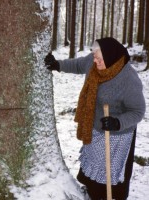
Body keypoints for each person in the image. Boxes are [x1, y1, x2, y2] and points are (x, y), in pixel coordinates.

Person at [44, 37, 145, 200]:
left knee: (110, 174)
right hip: (96, 127)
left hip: (118, 136)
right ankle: (92, 194)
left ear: (111, 57)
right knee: (94, 167)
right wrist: (58, 65)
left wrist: (117, 122)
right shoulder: (94, 62)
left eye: (99, 59)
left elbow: (138, 111)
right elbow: (78, 65)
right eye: (94, 57)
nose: (95, 61)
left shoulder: (128, 79)